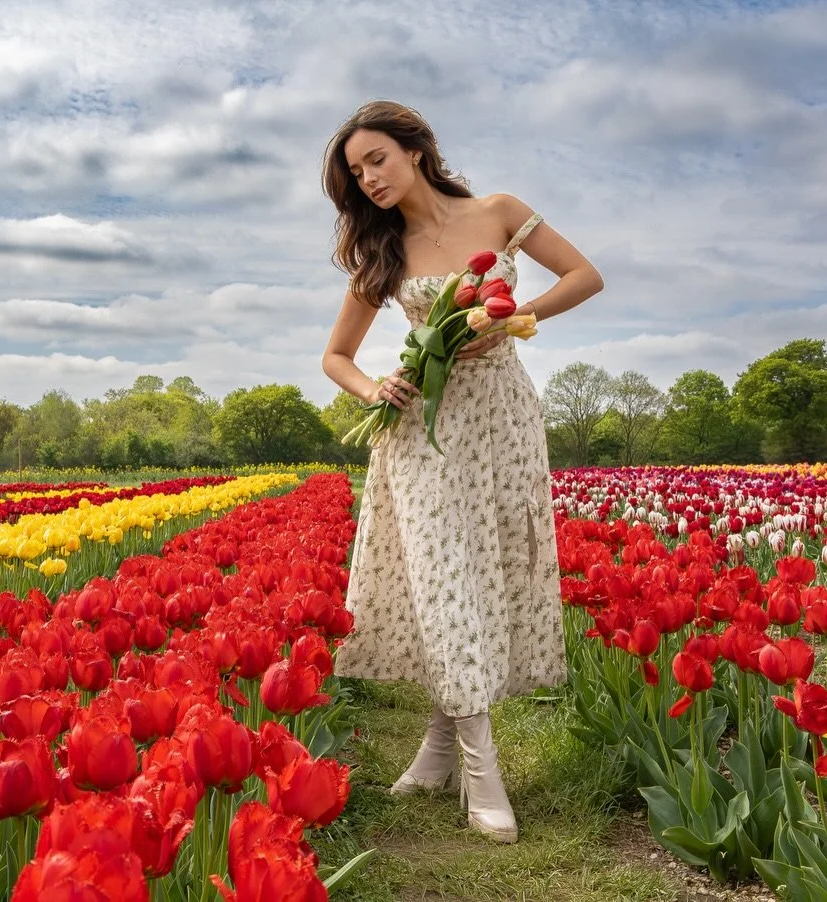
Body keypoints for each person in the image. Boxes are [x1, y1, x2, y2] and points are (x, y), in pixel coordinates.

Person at [320, 100, 604, 843]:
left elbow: (584, 276)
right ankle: (484, 771)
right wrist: (371, 387)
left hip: (504, 420)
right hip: (422, 430)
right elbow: (335, 357)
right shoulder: (381, 253)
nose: (368, 179)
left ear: (416, 149)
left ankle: (438, 749)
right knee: (446, 580)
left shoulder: (499, 211)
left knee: (486, 578)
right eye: (355, 172)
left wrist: (515, 316)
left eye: (375, 158)